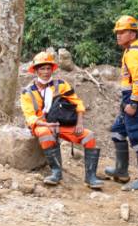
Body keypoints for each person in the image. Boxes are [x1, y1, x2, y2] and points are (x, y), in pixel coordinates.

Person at [20, 51, 104, 189]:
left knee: (89, 136)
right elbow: (30, 117)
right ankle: (56, 172)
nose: (46, 72)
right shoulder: (27, 92)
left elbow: (77, 103)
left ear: (52, 69)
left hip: (61, 124)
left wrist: (79, 122)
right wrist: (46, 124)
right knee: (46, 133)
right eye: (42, 68)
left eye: (48, 68)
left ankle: (91, 177)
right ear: (36, 70)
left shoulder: (61, 85)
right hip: (42, 125)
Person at [104, 15, 138, 191]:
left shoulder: (134, 53)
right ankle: (121, 171)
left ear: (133, 34)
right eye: (117, 32)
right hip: (131, 98)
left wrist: (133, 104)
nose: (118, 35)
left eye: (122, 32)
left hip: (136, 101)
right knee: (118, 131)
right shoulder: (132, 50)